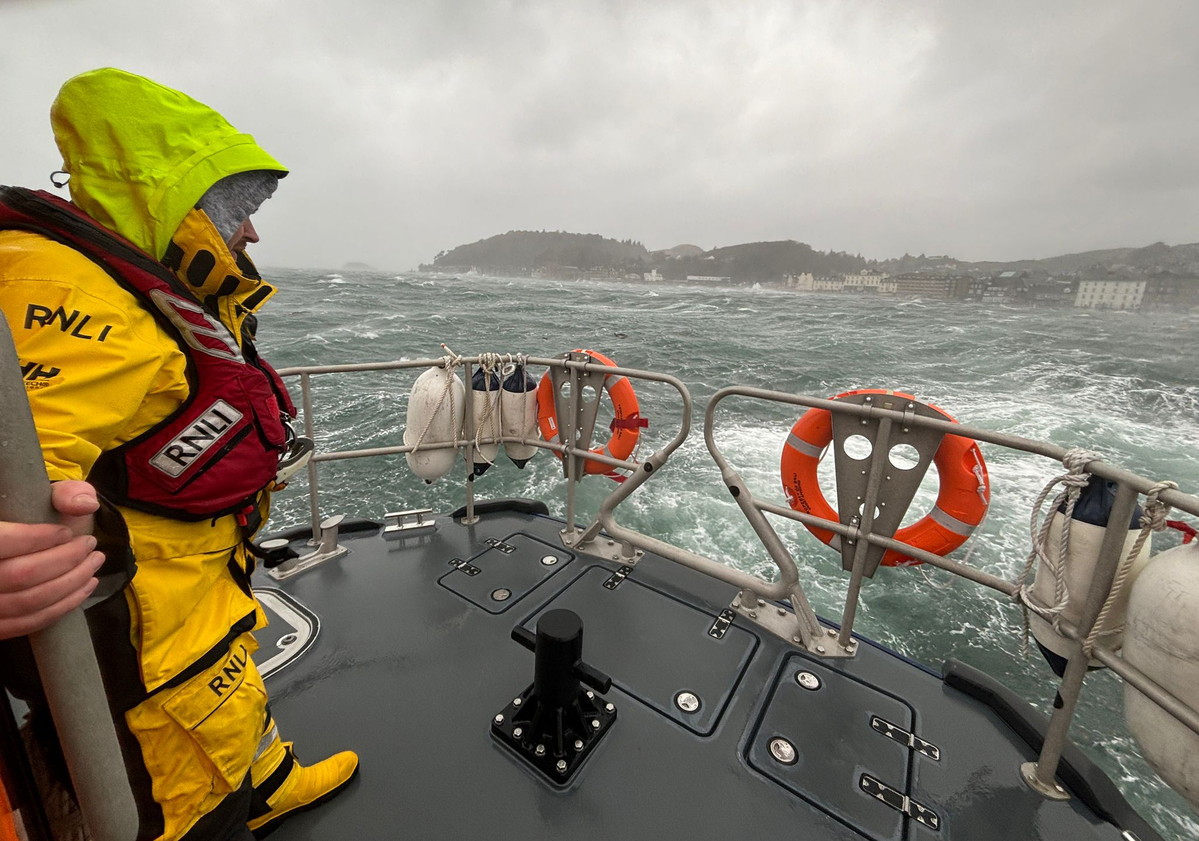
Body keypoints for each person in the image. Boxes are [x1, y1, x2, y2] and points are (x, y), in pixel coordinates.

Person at [0, 68, 358, 841]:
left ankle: (265, 779)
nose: (252, 233)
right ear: (170, 204)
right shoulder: (75, 296)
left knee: (234, 699)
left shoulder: (157, 288)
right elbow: (16, 452)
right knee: (184, 800)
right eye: (238, 208)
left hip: (204, 590)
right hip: (147, 645)